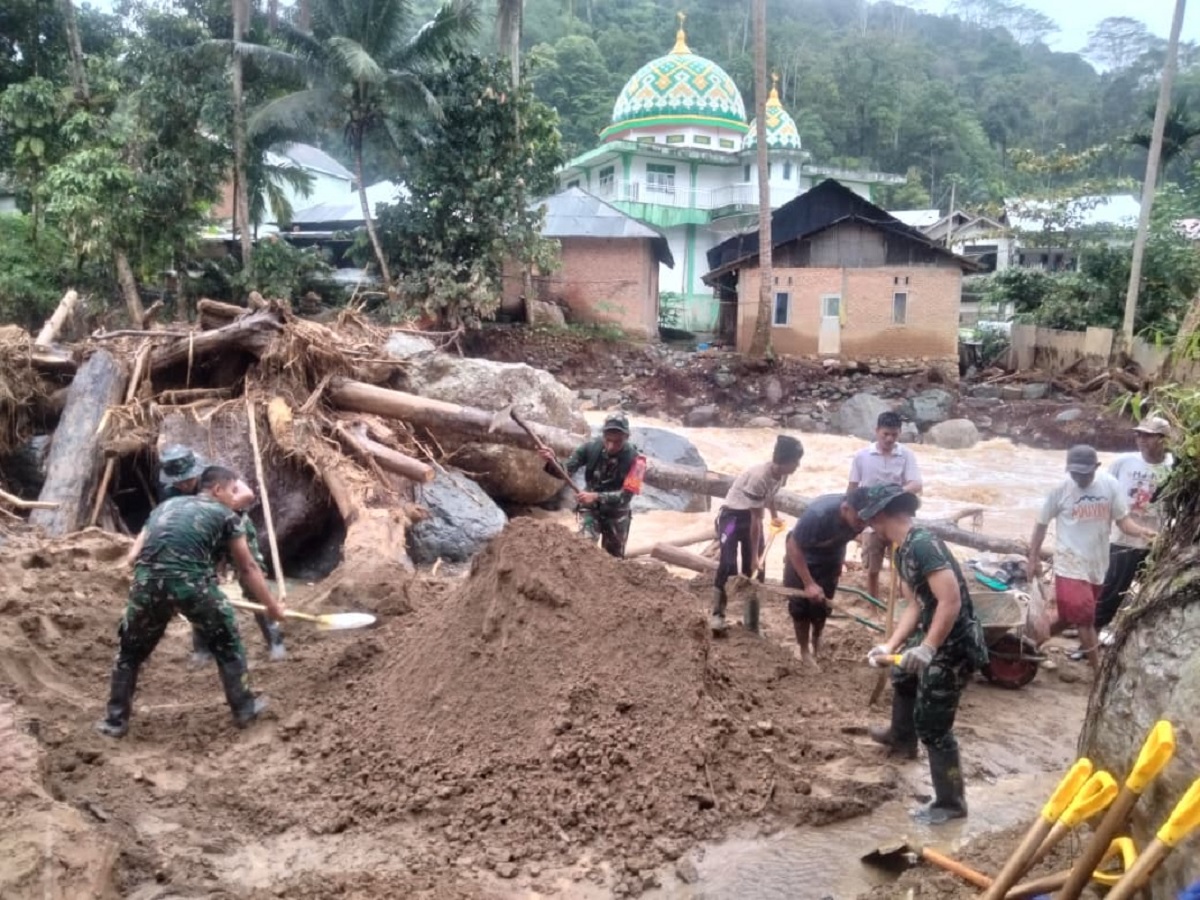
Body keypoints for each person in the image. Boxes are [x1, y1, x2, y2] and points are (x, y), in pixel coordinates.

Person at [96, 466, 286, 738]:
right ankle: (245, 710)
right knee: (228, 642)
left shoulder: (165, 506)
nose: (236, 496)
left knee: (129, 653)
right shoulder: (226, 515)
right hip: (192, 585)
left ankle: (114, 722)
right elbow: (248, 568)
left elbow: (135, 554)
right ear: (217, 490)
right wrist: (272, 606)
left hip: (146, 584)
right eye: (233, 490)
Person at [863, 484, 989, 825]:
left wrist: (928, 648)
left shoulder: (923, 545)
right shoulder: (901, 551)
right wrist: (890, 646)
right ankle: (902, 738)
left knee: (934, 726)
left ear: (880, 515)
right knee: (902, 673)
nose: (870, 526)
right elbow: (915, 605)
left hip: (955, 643)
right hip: (932, 631)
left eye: (871, 519)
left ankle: (951, 802)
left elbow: (951, 601)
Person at [150, 444, 287, 664]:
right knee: (199, 585)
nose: (183, 485)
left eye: (187, 479)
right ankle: (202, 647)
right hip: (203, 536)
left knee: (251, 580)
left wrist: (216, 508)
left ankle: (274, 640)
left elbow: (247, 494)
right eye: (178, 481)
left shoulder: (213, 475)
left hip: (235, 528)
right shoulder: (169, 491)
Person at [1027, 445, 1157, 673]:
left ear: (1096, 467)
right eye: (1075, 473)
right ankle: (1098, 672)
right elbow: (1040, 525)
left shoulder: (1110, 485)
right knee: (1085, 619)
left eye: (1085, 473)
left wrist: (1142, 532)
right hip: (1069, 564)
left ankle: (1027, 646)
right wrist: (1033, 558)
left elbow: (1123, 522)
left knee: (1069, 617)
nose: (1080, 478)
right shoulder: (1059, 490)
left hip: (1097, 565)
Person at [710, 435, 804, 634]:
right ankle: (717, 615)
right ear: (784, 461)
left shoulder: (781, 475)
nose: (797, 466)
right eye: (795, 461)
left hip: (751, 517)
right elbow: (756, 521)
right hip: (731, 518)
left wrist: (775, 516)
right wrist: (753, 557)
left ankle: (751, 622)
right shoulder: (759, 477)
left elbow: (768, 496)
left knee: (757, 571)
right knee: (728, 563)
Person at [1093, 417, 1173, 635]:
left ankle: (1129, 634)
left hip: (1159, 539)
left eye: (1148, 435)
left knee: (1153, 591)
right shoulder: (1124, 462)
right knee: (1112, 588)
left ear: (1163, 439)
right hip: (1123, 538)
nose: (1141, 439)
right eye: (1139, 434)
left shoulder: (1174, 467)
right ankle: (1091, 636)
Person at [539, 412, 644, 559]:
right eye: (608, 440)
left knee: (613, 560)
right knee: (584, 551)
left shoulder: (637, 461)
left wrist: (596, 496)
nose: (611, 446)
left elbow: (625, 497)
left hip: (616, 514)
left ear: (626, 437)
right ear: (603, 435)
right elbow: (565, 472)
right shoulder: (590, 448)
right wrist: (552, 461)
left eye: (617, 442)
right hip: (590, 509)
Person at [783, 487, 869, 664]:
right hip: (802, 555)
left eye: (866, 521)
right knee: (800, 607)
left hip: (831, 557)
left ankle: (817, 640)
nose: (862, 525)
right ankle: (804, 649)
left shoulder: (862, 518)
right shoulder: (818, 515)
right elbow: (793, 545)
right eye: (859, 520)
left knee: (822, 605)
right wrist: (808, 583)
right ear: (845, 509)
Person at [847, 411, 924, 603]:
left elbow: (916, 484)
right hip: (871, 521)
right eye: (885, 434)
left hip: (897, 518)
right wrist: (852, 518)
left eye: (894, 434)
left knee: (901, 567)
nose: (889, 439)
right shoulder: (862, 456)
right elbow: (853, 488)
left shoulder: (906, 455)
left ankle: (902, 604)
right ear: (876, 431)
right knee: (872, 567)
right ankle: (873, 606)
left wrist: (895, 494)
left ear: (899, 433)